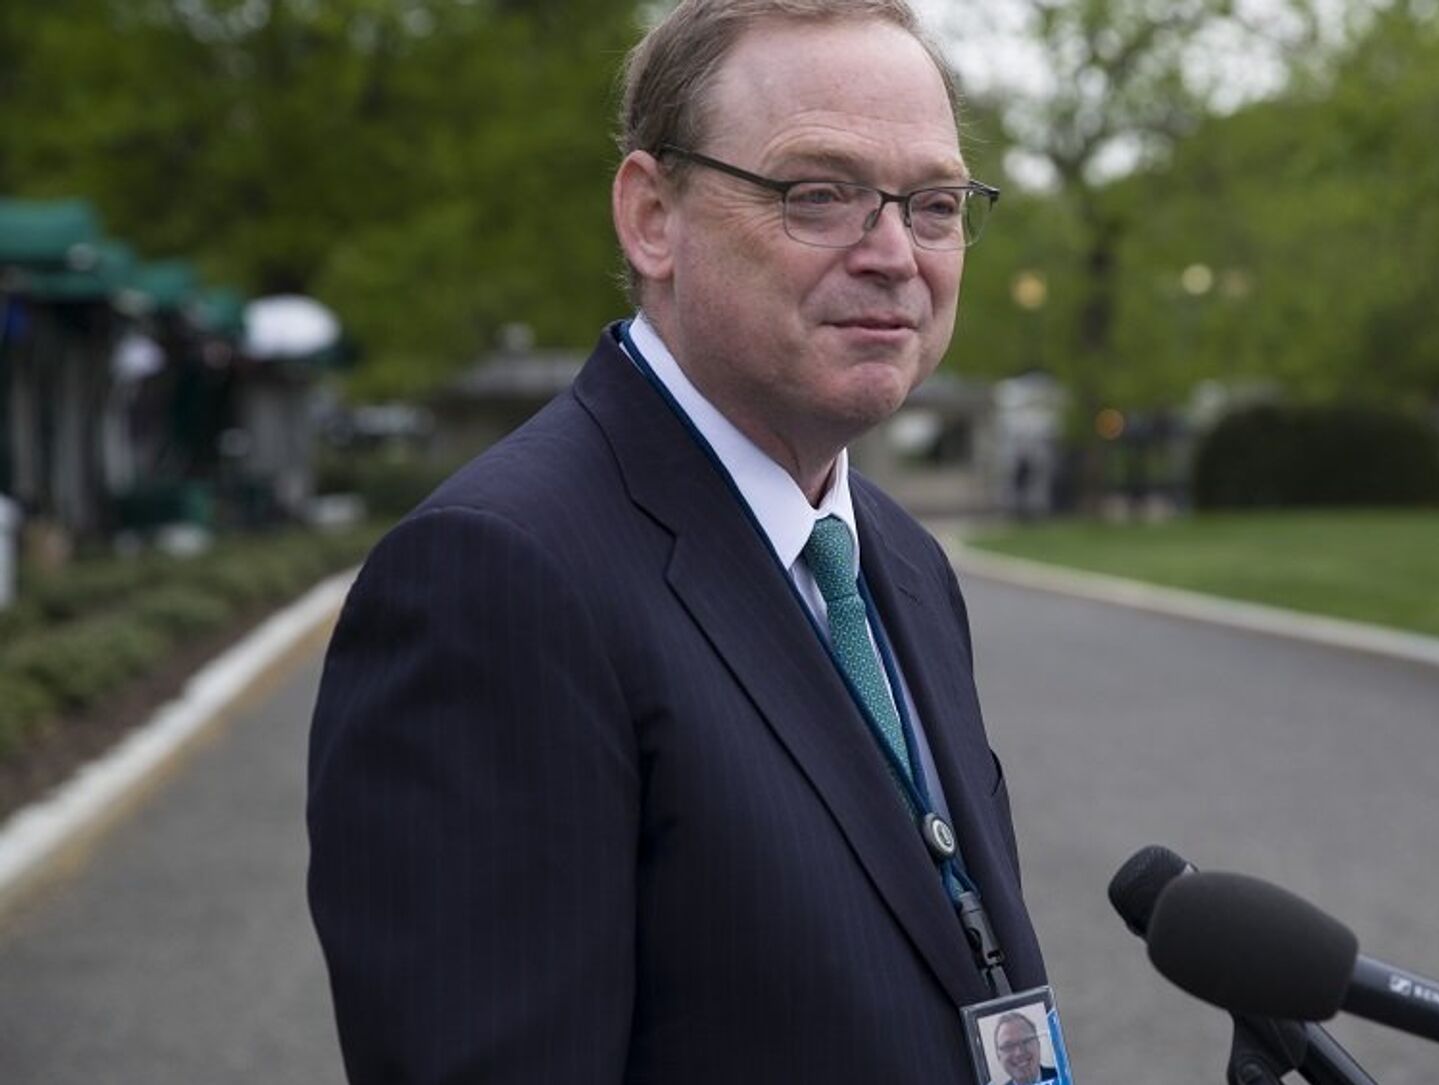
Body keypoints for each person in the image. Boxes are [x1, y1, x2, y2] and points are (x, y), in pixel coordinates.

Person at [305, 1, 1049, 1081]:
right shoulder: (495, 579)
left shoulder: (899, 557)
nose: (895, 253)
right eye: (819, 194)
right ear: (652, 216)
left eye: (934, 204)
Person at [992, 1011, 1060, 1085]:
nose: (1019, 1053)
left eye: (1025, 1041)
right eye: (1008, 1046)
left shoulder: (1065, 1075)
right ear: (998, 1056)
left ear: (1038, 1044)